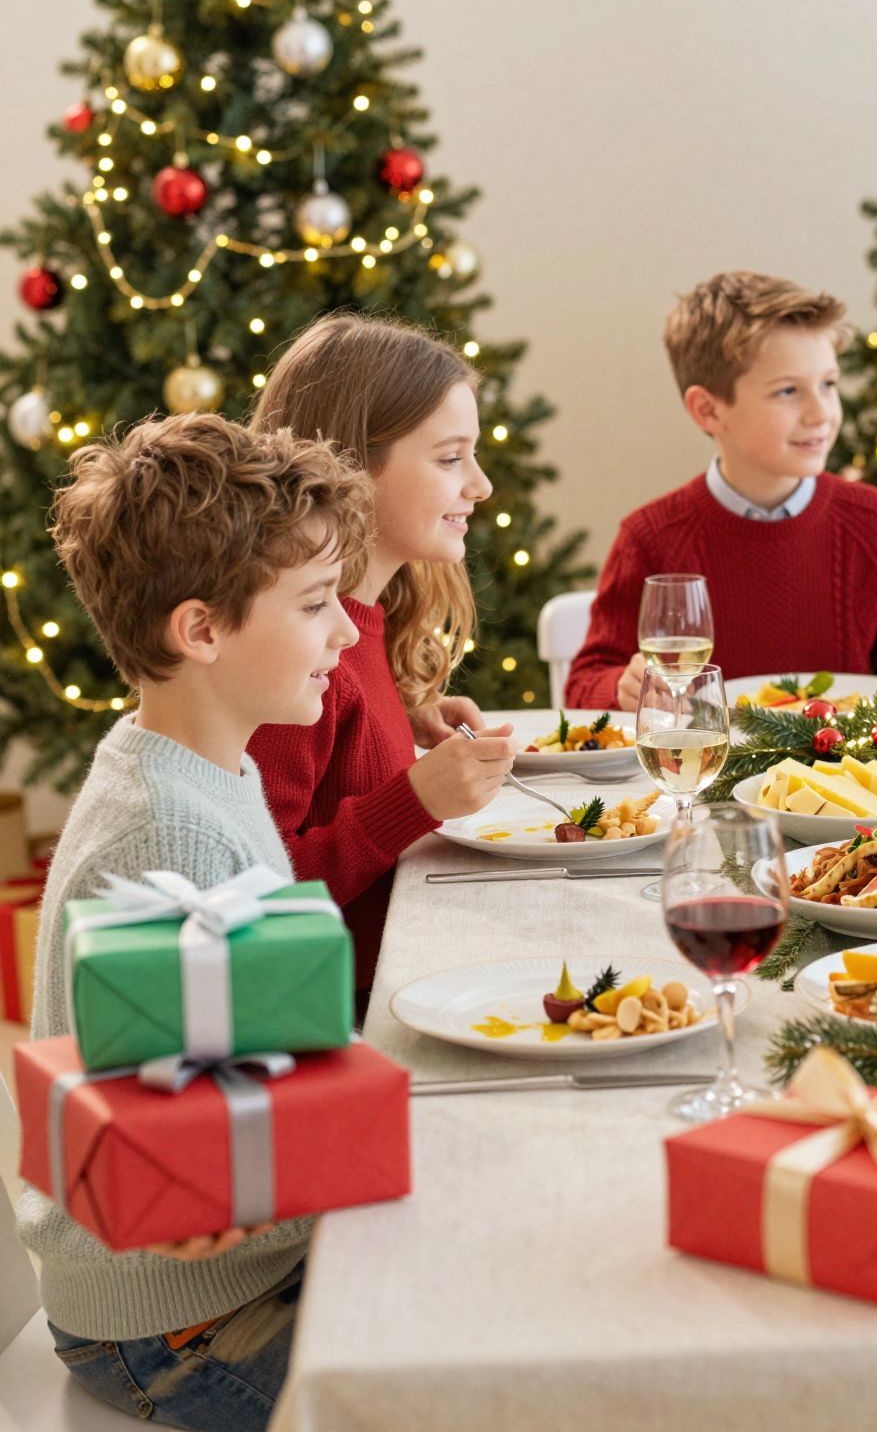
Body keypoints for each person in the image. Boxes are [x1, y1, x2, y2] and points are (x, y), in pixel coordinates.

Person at [26, 413, 373, 1428]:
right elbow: (187, 1179)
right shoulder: (165, 834)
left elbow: (255, 1066)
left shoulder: (203, 768)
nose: (346, 632)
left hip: (224, 1283)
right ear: (203, 630)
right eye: (315, 605)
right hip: (178, 1326)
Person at [248, 314, 514, 996]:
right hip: (350, 1021)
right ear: (352, 468)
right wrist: (411, 800)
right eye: (451, 458)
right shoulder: (296, 658)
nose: (479, 485)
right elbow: (253, 893)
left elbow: (344, 748)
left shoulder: (366, 620)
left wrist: (404, 711)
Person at [565, 271, 877, 711]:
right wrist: (621, 685)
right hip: (707, 775)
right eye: (789, 391)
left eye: (828, 385)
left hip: (844, 776)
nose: (821, 414)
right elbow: (584, 683)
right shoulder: (650, 538)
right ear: (709, 410)